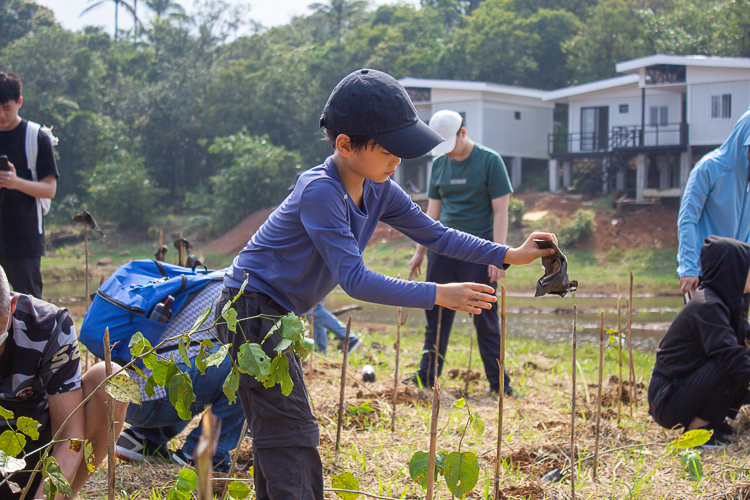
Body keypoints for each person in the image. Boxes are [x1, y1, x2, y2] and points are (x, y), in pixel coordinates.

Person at [215, 68, 557, 500]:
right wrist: (438, 294)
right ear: (345, 144)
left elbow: (438, 234)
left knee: (282, 431)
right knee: (293, 431)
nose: (399, 159)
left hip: (277, 314)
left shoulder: (379, 187)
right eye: (390, 149)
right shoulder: (321, 191)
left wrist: (510, 253)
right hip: (249, 308)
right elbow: (355, 280)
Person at [408, 109, 514, 396]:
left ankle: (499, 384)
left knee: (485, 318)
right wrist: (420, 251)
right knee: (436, 314)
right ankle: (426, 377)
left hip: (478, 252)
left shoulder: (490, 161)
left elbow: (501, 210)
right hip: (441, 251)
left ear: (463, 133)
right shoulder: (440, 164)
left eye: (450, 146)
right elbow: (432, 212)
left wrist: (499, 254)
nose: (448, 153)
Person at [0, 265, 127, 499]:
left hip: (36, 447)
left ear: (13, 306)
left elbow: (71, 440)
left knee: (110, 378)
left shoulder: (49, 326)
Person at [114, 278, 246, 472]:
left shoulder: (209, 280)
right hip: (153, 401)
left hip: (126, 399)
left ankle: (144, 439)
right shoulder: (242, 295)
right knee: (245, 365)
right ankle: (203, 456)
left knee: (194, 363)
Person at [649, 236, 750, 448]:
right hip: (667, 398)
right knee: (732, 363)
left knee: (740, 359)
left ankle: (714, 422)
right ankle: (698, 430)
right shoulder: (708, 306)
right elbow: (731, 356)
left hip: (685, 387)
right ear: (734, 270)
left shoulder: (728, 303)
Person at [677, 107, 750, 294]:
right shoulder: (709, 168)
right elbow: (687, 219)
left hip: (738, 276)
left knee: (739, 325)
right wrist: (689, 268)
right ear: (742, 141)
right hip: (704, 274)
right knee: (708, 323)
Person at [0, 71, 58, 299]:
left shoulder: (37, 137)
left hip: (24, 239)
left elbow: (49, 189)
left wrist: (14, 183)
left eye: (7, 108)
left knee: (28, 305)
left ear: (19, 103)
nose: (2, 115)